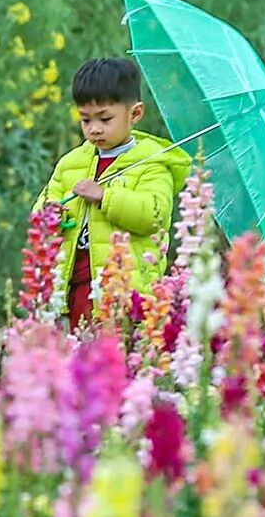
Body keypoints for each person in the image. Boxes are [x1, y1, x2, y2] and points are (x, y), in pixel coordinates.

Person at [36, 57, 191, 330]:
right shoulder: (72, 163)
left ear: (135, 114)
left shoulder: (153, 163)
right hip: (74, 284)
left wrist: (105, 196)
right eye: (85, 120)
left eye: (105, 118)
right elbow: (41, 212)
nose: (94, 129)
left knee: (119, 362)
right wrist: (51, 214)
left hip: (126, 290)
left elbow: (153, 215)